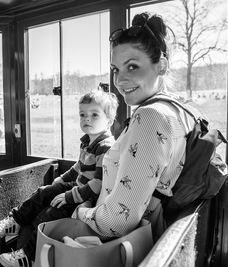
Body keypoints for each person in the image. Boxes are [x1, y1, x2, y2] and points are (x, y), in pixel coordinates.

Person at [71, 12, 199, 241]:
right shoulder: (181, 110)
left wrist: (81, 212)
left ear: (161, 66)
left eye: (132, 67)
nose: (119, 81)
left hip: (118, 246)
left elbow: (116, 223)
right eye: (115, 69)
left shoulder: (151, 116)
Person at [0, 90, 118, 267]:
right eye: (83, 115)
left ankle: (28, 256)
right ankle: (16, 221)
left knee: (49, 215)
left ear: (109, 121)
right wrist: (60, 181)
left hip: (86, 198)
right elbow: (78, 168)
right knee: (43, 192)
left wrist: (68, 196)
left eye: (94, 115)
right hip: (75, 187)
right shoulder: (88, 142)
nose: (87, 119)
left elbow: (98, 183)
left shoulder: (105, 147)